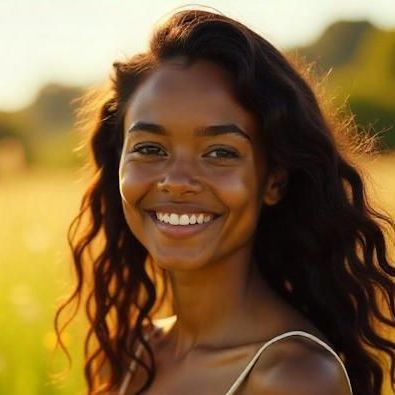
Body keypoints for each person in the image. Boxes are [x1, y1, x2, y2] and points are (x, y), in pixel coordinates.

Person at [54, 8, 395, 395]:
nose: (177, 182)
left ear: (274, 181)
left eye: (220, 153)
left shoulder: (294, 379)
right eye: (150, 148)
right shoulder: (133, 353)